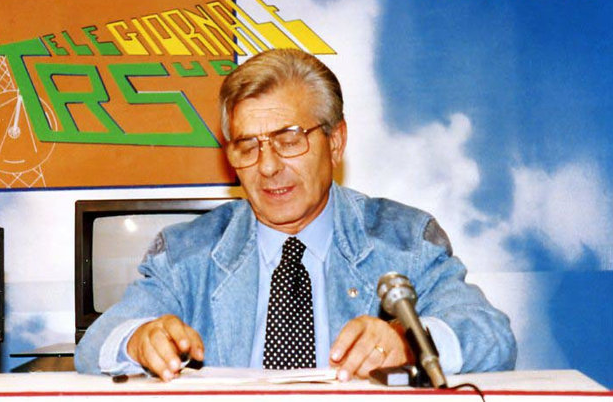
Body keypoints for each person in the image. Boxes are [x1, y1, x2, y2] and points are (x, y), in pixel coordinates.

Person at [74, 49, 516, 381]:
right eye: (247, 146)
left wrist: (410, 342)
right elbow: (96, 343)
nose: (267, 167)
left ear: (335, 142)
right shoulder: (186, 253)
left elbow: (491, 335)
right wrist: (139, 339)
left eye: (288, 140)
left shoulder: (405, 241)